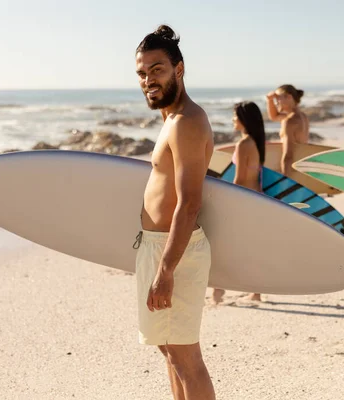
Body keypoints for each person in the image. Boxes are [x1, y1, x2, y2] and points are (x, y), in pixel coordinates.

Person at [133, 24, 215, 399]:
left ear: (178, 70)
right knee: (169, 350)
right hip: (158, 245)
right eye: (142, 72)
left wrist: (166, 269)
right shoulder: (171, 119)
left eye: (157, 69)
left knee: (185, 357)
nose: (148, 79)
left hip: (174, 250)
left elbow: (189, 202)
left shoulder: (186, 123)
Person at [211, 101, 266, 304]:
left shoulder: (244, 144)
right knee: (247, 248)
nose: (232, 120)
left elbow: (240, 179)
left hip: (244, 202)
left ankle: (218, 291)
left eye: (235, 116)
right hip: (255, 200)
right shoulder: (254, 142)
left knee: (223, 247)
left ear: (244, 119)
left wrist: (226, 201)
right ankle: (255, 292)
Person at [266, 84, 309, 176]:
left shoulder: (289, 121)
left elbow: (288, 155)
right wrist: (269, 100)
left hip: (292, 169)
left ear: (289, 97)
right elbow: (274, 116)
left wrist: (285, 181)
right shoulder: (302, 117)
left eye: (277, 98)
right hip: (301, 167)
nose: (276, 102)